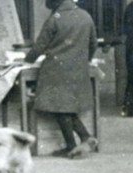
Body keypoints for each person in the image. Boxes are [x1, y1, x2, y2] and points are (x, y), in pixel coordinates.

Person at [23, 0, 98, 158]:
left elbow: (39, 46)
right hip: (78, 69)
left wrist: (26, 60)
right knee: (65, 107)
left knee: (59, 106)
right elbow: (93, 44)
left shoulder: (55, 18)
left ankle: (75, 143)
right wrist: (85, 59)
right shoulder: (86, 16)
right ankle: (82, 138)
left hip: (56, 70)